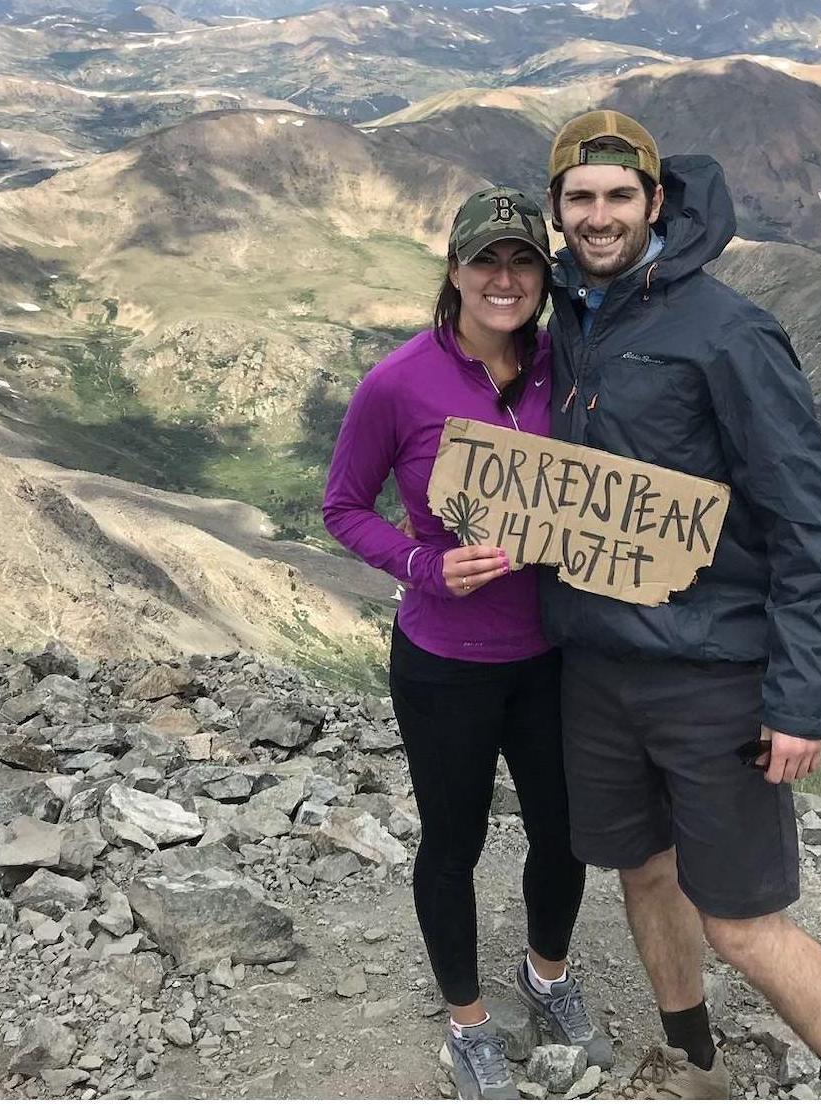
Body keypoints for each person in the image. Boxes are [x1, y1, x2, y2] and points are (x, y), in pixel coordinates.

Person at [541, 112, 821, 1100]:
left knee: (739, 919)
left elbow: (806, 519)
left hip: (711, 678)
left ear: (657, 202)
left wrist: (797, 697)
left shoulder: (728, 330)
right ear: (558, 209)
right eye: (581, 198)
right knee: (641, 871)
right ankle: (687, 1050)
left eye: (619, 196)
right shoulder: (567, 314)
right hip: (597, 668)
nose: (600, 215)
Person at [323, 186, 613, 1101]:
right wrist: (421, 563)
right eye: (485, 260)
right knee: (452, 842)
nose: (503, 278)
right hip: (444, 661)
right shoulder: (398, 382)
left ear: (543, 275)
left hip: (553, 653)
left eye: (522, 260)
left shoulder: (566, 368)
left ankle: (546, 977)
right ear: (453, 273)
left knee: (563, 835)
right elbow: (340, 507)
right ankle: (468, 1022)